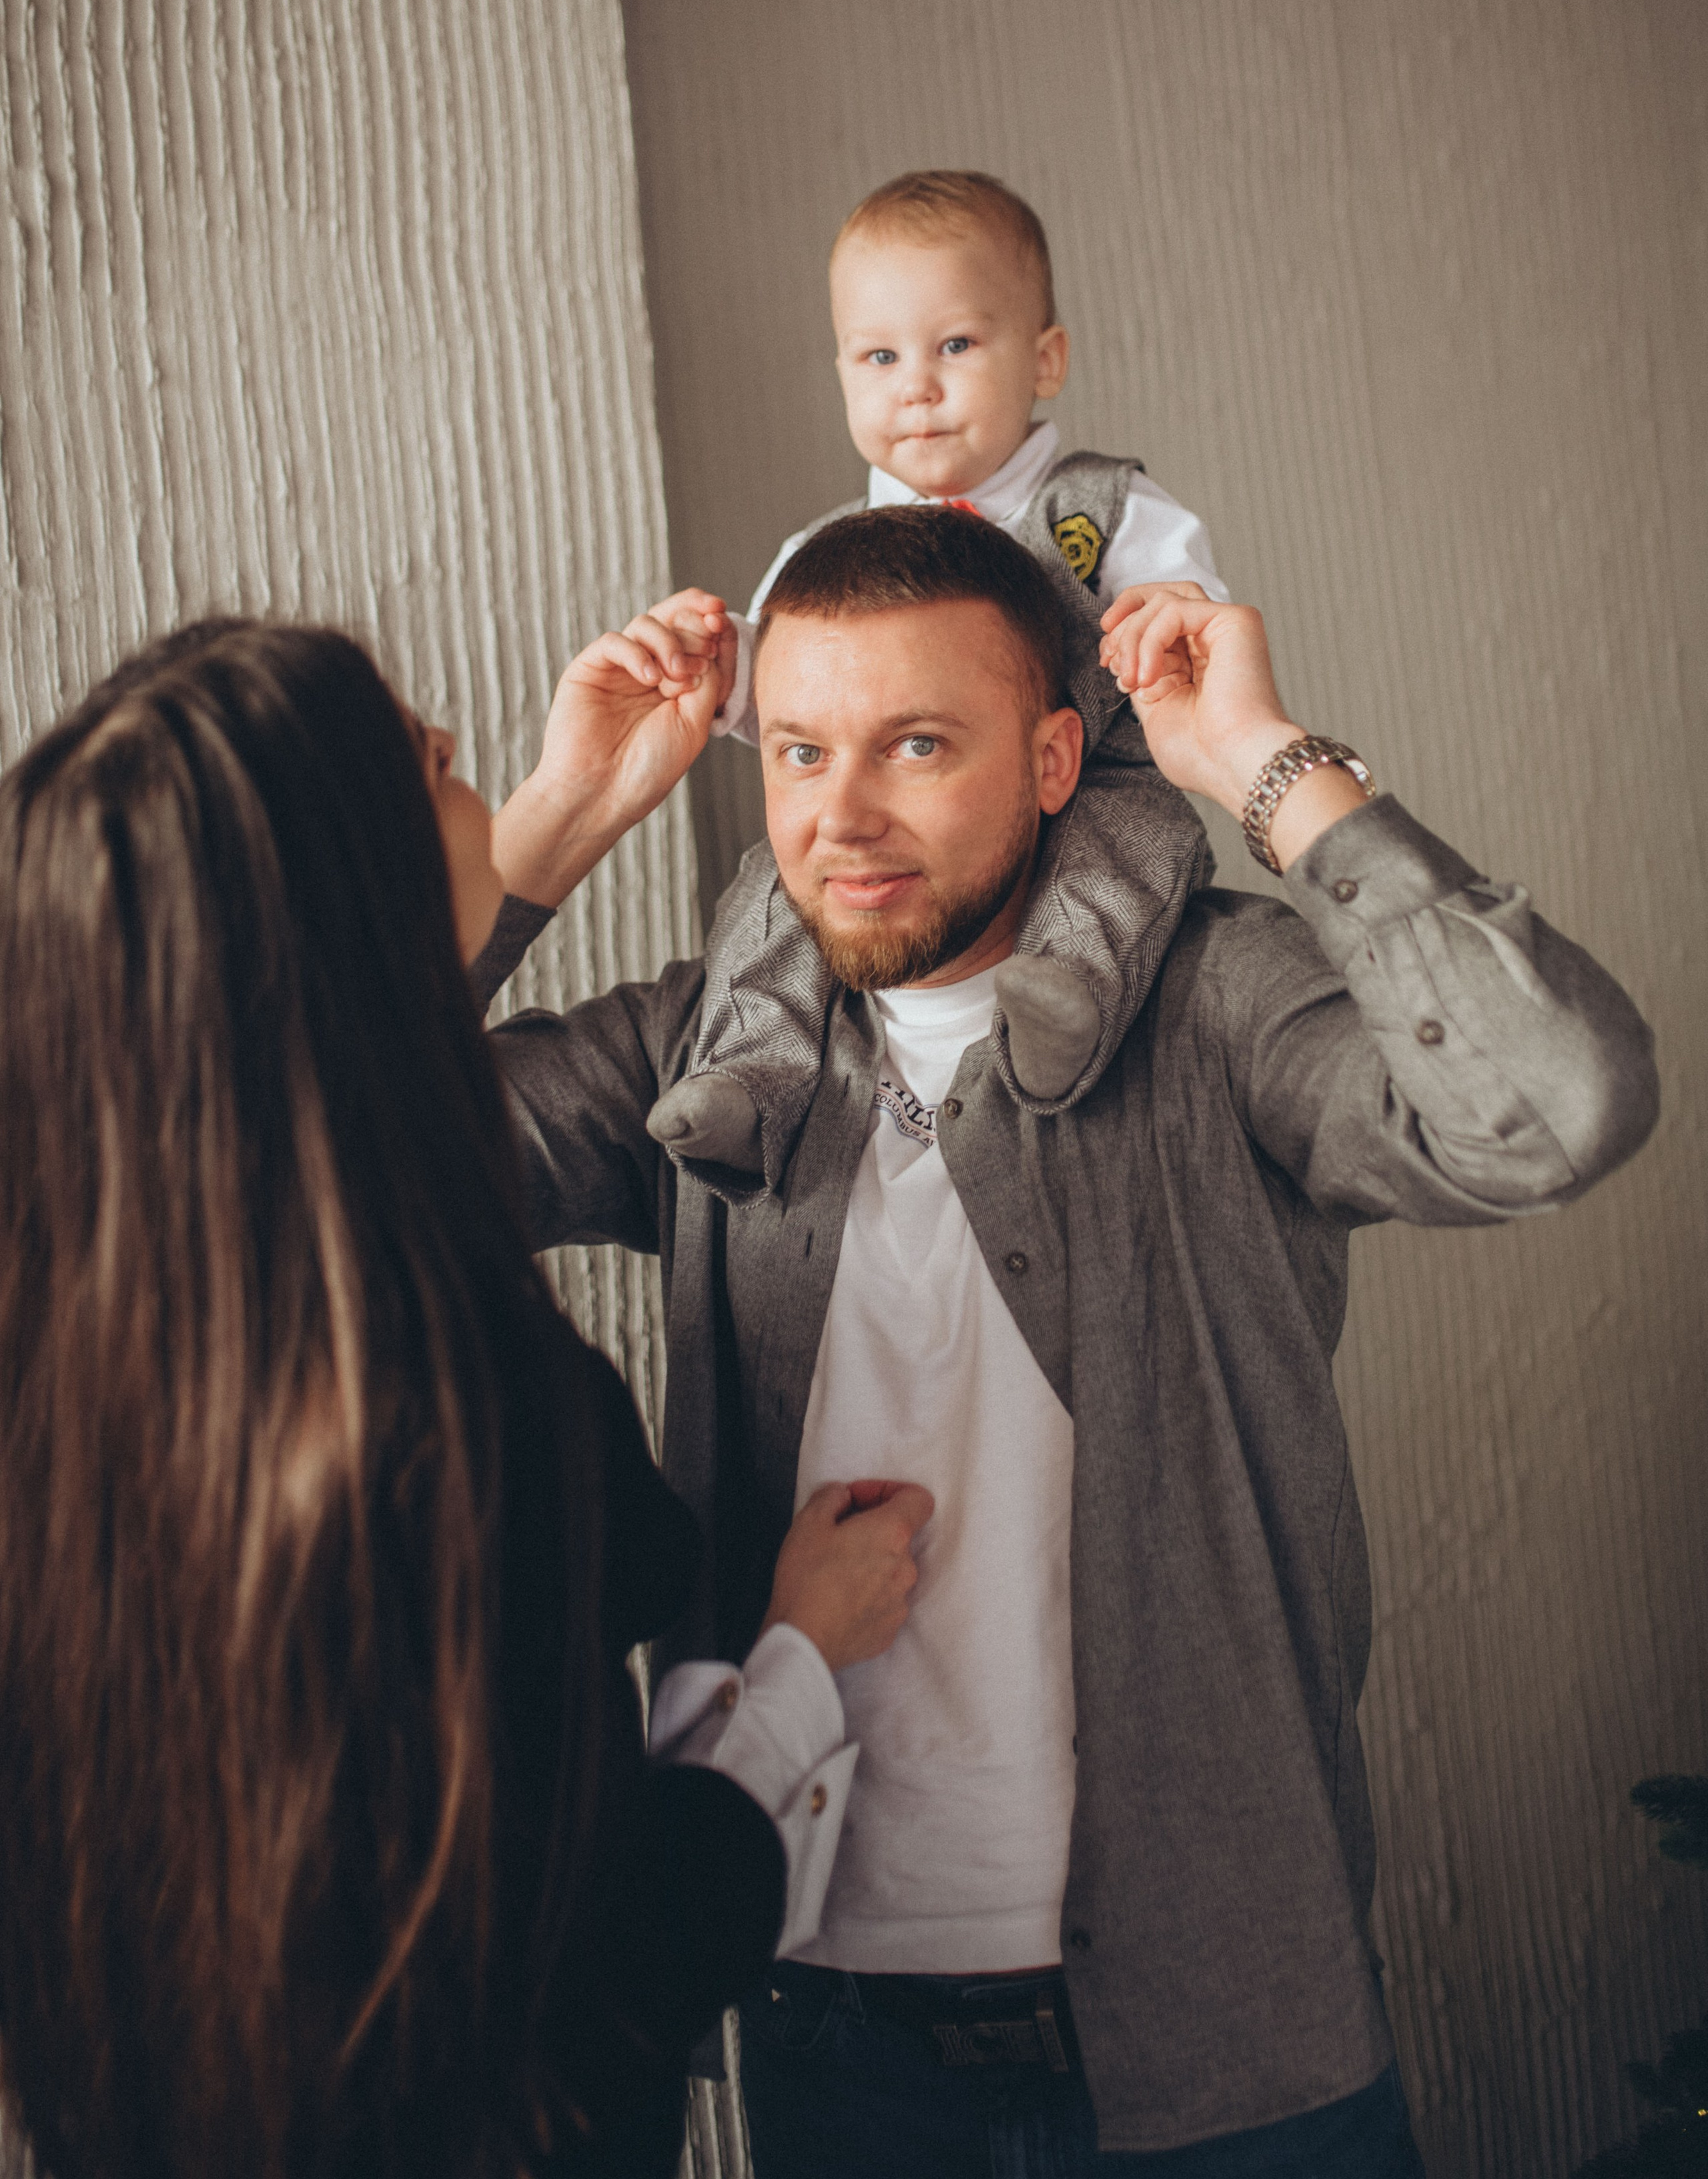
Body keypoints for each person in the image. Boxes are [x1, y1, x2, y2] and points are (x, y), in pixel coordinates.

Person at [472, 505, 1657, 2175]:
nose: (840, 815)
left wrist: (1259, 762)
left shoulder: (1212, 1006)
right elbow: (305, 1163)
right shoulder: (708, 1048)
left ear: (1047, 762)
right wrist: (549, 826)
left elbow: (1553, 1104)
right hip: (831, 2049)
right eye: (800, 750)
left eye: (915, 745)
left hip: (1232, 2053)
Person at [0, 616, 931, 2179]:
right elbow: (597, 1973)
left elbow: (308, 1093)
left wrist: (561, 823)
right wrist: (793, 1669)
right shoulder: (439, 1416)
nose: (470, 770)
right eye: (429, 762)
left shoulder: (83, 1367)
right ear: (343, 900)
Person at [634, 169, 1230, 1174]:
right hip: (908, 826)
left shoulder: (1104, 510)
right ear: (841, 371)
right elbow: (782, 703)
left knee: (1130, 857)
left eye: (955, 345)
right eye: (880, 356)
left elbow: (1194, 625)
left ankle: (1065, 1013)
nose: (916, 385)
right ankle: (746, 1077)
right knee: (772, 897)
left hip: (1098, 778)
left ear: (1045, 359)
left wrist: (1173, 619)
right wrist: (714, 663)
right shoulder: (825, 551)